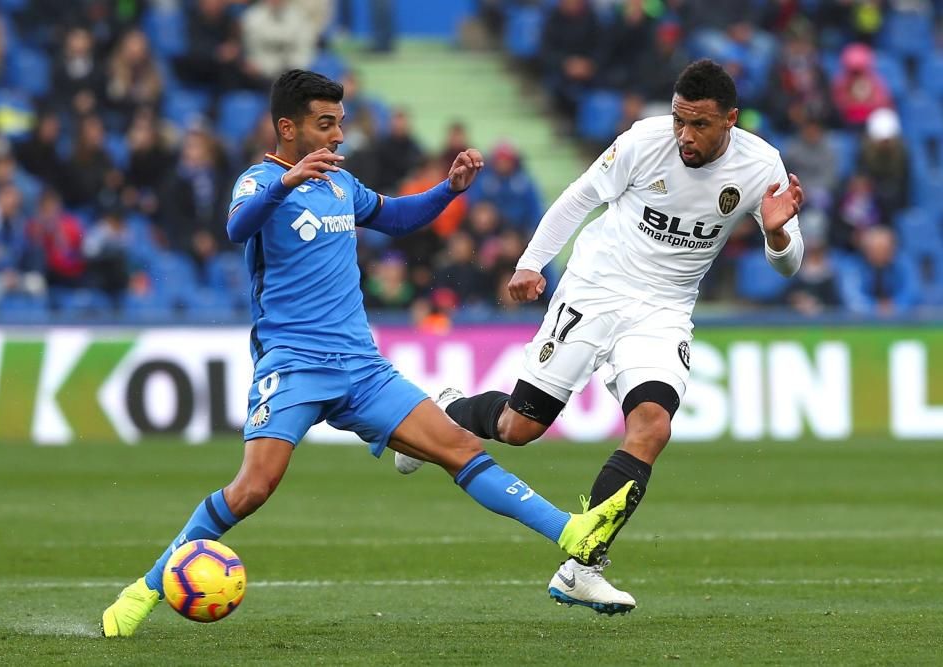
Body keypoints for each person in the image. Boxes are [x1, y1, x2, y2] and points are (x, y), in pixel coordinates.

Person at [100, 69, 630, 637]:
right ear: (288, 128)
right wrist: (286, 183)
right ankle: (145, 589)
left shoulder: (339, 184)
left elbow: (395, 217)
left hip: (360, 366)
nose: (338, 135)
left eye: (340, 123)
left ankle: (570, 532)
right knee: (253, 488)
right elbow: (236, 228)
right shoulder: (258, 181)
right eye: (325, 124)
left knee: (460, 447)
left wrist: (448, 190)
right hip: (294, 365)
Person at [395, 59, 805, 615]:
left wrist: (777, 234)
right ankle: (446, 410)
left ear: (730, 120)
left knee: (652, 426)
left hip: (663, 312)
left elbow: (789, 265)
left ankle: (582, 567)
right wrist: (531, 262)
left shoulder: (761, 166)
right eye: (679, 119)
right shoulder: (644, 142)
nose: (685, 135)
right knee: (519, 428)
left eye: (700, 124)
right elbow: (579, 197)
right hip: (595, 290)